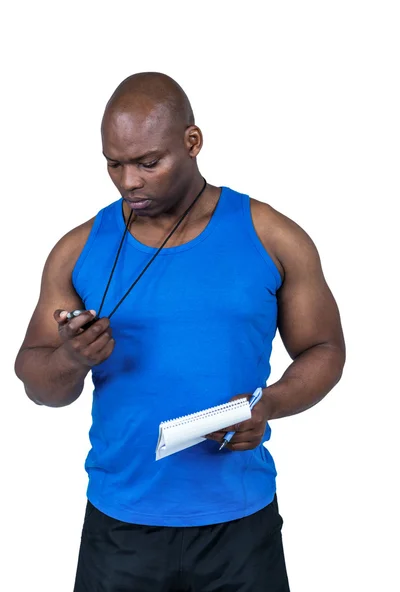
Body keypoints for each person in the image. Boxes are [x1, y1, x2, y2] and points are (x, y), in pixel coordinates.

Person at [14, 72, 346, 592]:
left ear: (192, 143)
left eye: (148, 162)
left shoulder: (272, 235)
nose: (129, 181)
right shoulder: (78, 250)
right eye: (115, 164)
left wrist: (269, 405)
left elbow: (324, 349)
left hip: (239, 525)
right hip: (120, 527)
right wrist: (71, 359)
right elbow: (39, 385)